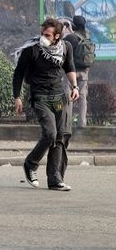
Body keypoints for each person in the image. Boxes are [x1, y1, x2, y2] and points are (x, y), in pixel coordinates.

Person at [13, 18, 79, 191]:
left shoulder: (65, 47)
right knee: (50, 134)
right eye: (42, 33)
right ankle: (30, 163)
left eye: (47, 35)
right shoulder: (32, 50)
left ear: (57, 36)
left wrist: (75, 87)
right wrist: (17, 97)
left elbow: (69, 67)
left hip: (60, 97)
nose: (43, 37)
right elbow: (18, 73)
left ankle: (55, 179)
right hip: (40, 97)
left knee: (61, 136)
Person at [63, 15, 91, 128]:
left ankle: (67, 122)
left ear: (73, 25)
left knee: (68, 96)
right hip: (84, 70)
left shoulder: (70, 38)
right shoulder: (88, 36)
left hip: (71, 71)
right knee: (83, 96)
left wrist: (65, 30)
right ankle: (82, 123)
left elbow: (61, 47)